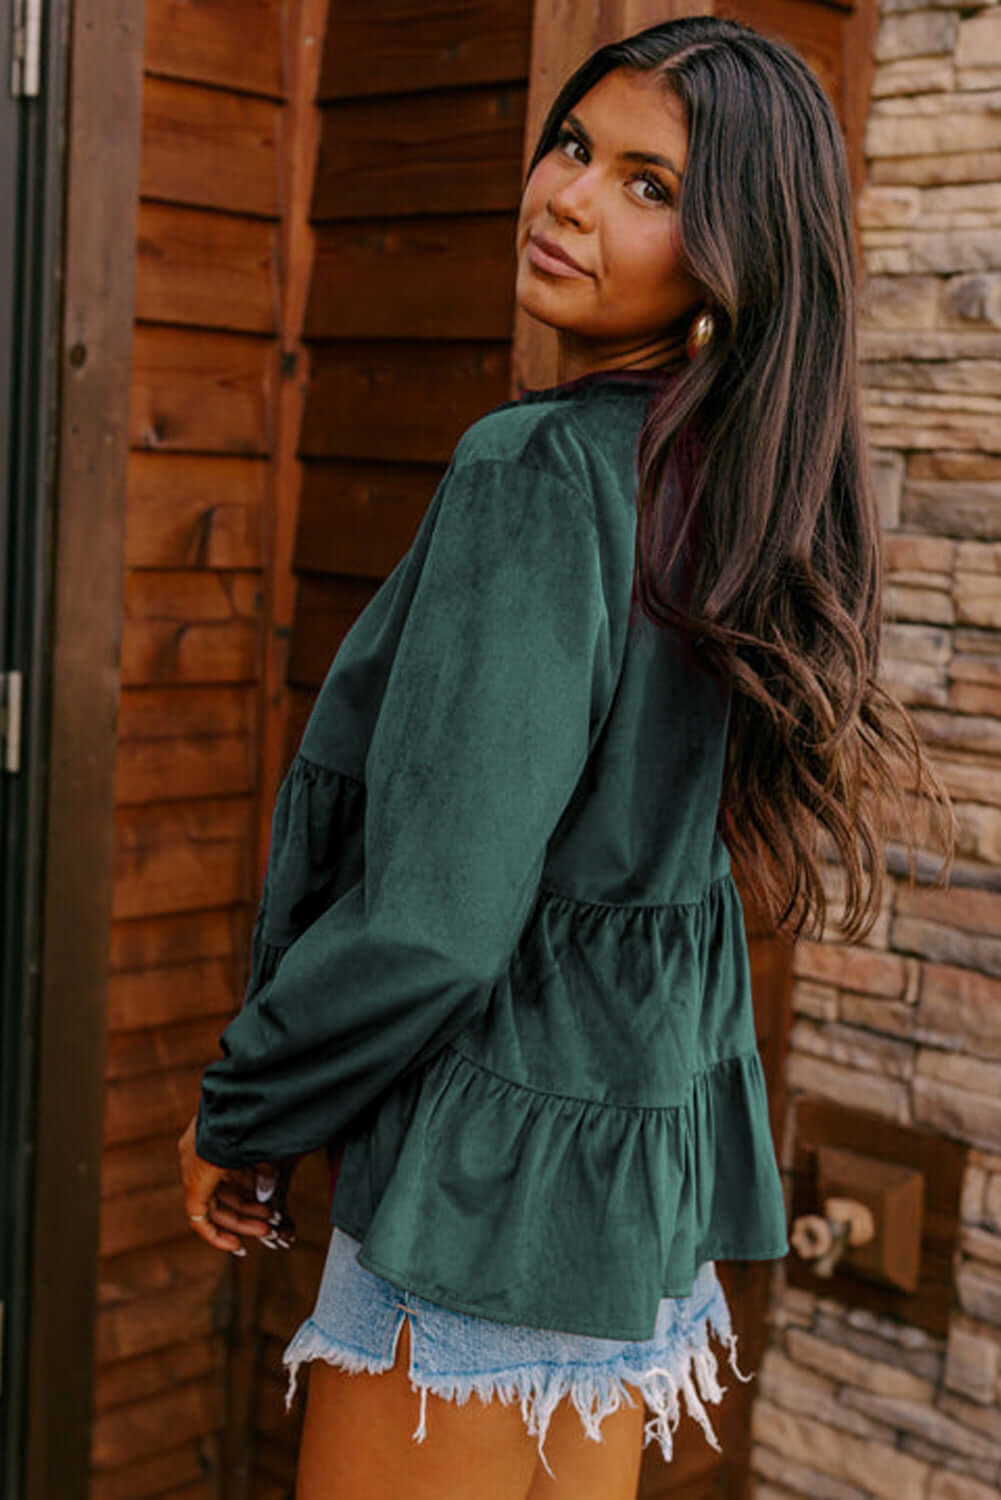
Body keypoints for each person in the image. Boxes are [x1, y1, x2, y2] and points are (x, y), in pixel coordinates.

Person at [177, 15, 956, 1499]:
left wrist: (251, 1106)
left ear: (736, 248)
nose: (569, 196)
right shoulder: (732, 478)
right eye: (573, 146)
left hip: (490, 1167)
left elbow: (435, 917)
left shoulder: (534, 472)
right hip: (623, 1168)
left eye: (649, 185)